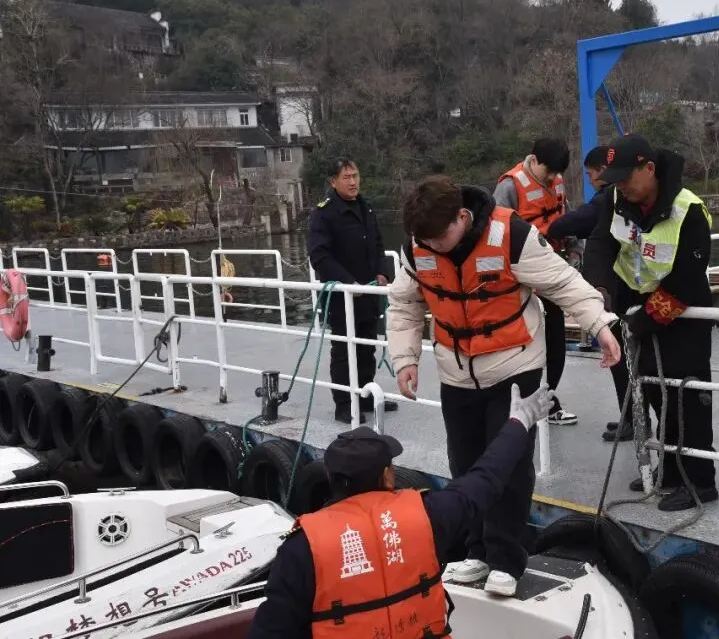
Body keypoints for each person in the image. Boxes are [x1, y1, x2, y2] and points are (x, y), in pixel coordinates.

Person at [386, 176, 620, 596]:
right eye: (426, 241)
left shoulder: (511, 235)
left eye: (440, 238)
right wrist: (405, 359)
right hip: (456, 373)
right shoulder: (416, 248)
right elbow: (404, 306)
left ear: (462, 217)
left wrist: (599, 325)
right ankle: (476, 551)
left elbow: (564, 283)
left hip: (515, 368)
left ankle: (506, 560)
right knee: (466, 464)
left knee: (510, 467)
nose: (434, 247)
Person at [247, 382, 555, 638]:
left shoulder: (302, 548)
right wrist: (519, 422)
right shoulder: (429, 516)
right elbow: (486, 478)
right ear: (387, 477)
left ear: (330, 479)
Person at [584, 134, 719, 512]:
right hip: (635, 311)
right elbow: (601, 244)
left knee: (688, 401)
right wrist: (599, 289)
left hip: (682, 317)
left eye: (627, 177)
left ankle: (699, 481)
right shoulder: (617, 200)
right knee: (657, 396)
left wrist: (643, 321)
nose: (622, 186)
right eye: (616, 179)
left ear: (650, 169)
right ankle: (670, 472)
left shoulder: (688, 210)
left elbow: (687, 280)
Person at [548, 145, 635, 442]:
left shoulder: (607, 199)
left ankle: (632, 420)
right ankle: (631, 417)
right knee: (626, 360)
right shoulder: (616, 197)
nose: (590, 179)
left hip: (618, 289)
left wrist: (546, 229)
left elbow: (574, 221)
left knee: (623, 359)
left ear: (602, 171)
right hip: (622, 286)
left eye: (590, 174)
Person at [494, 138, 577, 426]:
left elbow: (567, 215)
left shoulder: (557, 182)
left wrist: (575, 250)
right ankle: (516, 404)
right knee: (521, 345)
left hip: (551, 273)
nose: (553, 177)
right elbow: (496, 233)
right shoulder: (509, 186)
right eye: (548, 171)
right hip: (520, 280)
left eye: (557, 173)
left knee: (556, 342)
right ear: (533, 160)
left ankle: (549, 401)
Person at [308, 159, 396, 424]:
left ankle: (365, 395)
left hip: (368, 294)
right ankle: (344, 403)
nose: (353, 182)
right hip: (341, 296)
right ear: (333, 181)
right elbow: (319, 255)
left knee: (366, 347)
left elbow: (377, 244)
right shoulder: (324, 213)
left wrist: (382, 272)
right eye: (346, 177)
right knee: (344, 352)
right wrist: (347, 282)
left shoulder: (365, 207)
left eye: (355, 175)